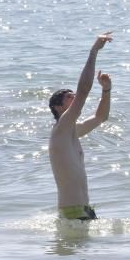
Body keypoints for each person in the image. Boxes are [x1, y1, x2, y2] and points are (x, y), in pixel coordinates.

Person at [48, 33, 114, 221]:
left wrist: (106, 90)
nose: (74, 97)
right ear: (58, 106)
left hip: (84, 210)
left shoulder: (72, 132)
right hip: (73, 212)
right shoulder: (60, 129)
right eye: (69, 97)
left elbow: (101, 117)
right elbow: (84, 92)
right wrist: (93, 52)